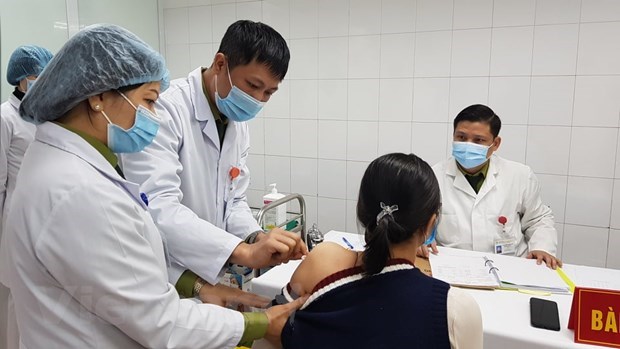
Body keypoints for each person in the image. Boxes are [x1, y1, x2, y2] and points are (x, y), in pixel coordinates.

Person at [3, 23, 304, 349]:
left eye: (268, 93)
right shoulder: (78, 191)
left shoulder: (69, 166)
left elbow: (231, 198)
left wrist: (249, 241)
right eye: (147, 101)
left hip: (162, 294)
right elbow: (158, 316)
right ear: (100, 97)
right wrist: (257, 322)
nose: (151, 115)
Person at [120, 20, 306, 297]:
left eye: (268, 92)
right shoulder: (165, 108)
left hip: (208, 275)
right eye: (253, 85)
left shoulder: (236, 122)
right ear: (220, 64)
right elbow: (156, 207)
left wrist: (257, 237)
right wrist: (243, 251)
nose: (258, 99)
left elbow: (233, 201)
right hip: (162, 273)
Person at [278, 153, 483, 348]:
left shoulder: (322, 260)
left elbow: (272, 321)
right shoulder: (453, 308)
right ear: (430, 224)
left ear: (361, 210)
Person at [429, 104, 561, 269]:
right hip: (454, 267)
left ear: (495, 143)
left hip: (511, 266)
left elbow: (538, 219)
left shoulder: (519, 175)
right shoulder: (433, 176)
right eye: (461, 137)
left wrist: (542, 247)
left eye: (478, 140)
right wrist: (424, 240)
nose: (468, 145)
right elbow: (421, 224)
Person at [0, 44, 53, 349]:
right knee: (15, 300)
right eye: (35, 75)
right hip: (13, 219)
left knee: (37, 294)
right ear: (19, 79)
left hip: (42, 216)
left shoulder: (42, 116)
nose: (40, 80)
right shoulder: (5, 117)